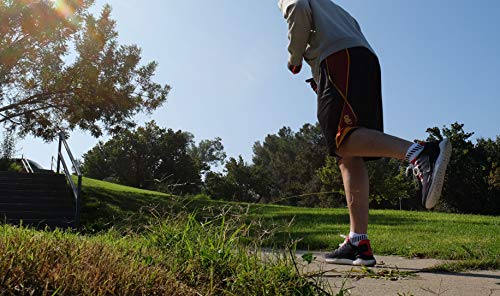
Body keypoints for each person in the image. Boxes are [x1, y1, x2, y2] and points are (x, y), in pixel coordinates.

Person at [278, 0, 452, 267]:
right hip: (361, 58)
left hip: (337, 58)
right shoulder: (333, 9)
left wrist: (294, 57)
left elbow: (298, 7)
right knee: (349, 154)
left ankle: (421, 153)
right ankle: (358, 241)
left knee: (343, 139)